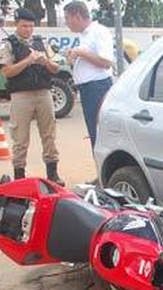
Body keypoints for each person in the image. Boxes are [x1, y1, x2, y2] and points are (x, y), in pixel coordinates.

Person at [0, 8, 64, 185]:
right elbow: (7, 71)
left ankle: (53, 174)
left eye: (31, 26)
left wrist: (45, 62)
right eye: (24, 26)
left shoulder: (41, 42)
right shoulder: (9, 45)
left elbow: (56, 68)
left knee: (49, 135)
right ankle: (19, 177)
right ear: (16, 25)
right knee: (20, 138)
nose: (28, 29)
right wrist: (27, 60)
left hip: (44, 93)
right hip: (21, 96)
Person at [63, 1, 113, 149]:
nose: (66, 23)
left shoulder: (99, 32)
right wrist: (75, 56)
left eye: (67, 19)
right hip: (88, 89)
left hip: (97, 87)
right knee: (93, 132)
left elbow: (106, 62)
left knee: (98, 132)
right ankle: (99, 168)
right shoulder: (84, 35)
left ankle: (102, 170)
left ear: (77, 16)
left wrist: (81, 52)